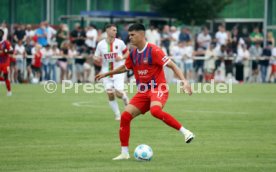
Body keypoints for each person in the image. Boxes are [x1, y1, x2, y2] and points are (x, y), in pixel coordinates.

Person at [95, 23, 194, 160]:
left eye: (132, 35)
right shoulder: (133, 53)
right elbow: (125, 67)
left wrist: (185, 82)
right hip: (143, 92)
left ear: (141, 35)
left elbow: (172, 65)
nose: (129, 37)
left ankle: (186, 132)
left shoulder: (154, 50)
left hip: (158, 88)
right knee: (125, 117)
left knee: (155, 111)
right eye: (129, 35)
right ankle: (124, 153)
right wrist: (107, 73)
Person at [94, 24, 130, 121]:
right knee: (110, 93)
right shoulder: (100, 44)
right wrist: (96, 59)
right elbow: (96, 56)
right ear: (108, 31)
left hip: (118, 72)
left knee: (118, 93)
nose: (115, 32)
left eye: (116, 30)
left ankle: (124, 97)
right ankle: (118, 114)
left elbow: (127, 53)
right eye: (114, 30)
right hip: (106, 72)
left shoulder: (120, 42)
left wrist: (121, 57)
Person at [0, 28, 13, 96]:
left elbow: (12, 51)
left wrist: (4, 51)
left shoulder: (6, 42)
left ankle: (9, 91)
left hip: (5, 62)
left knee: (6, 76)